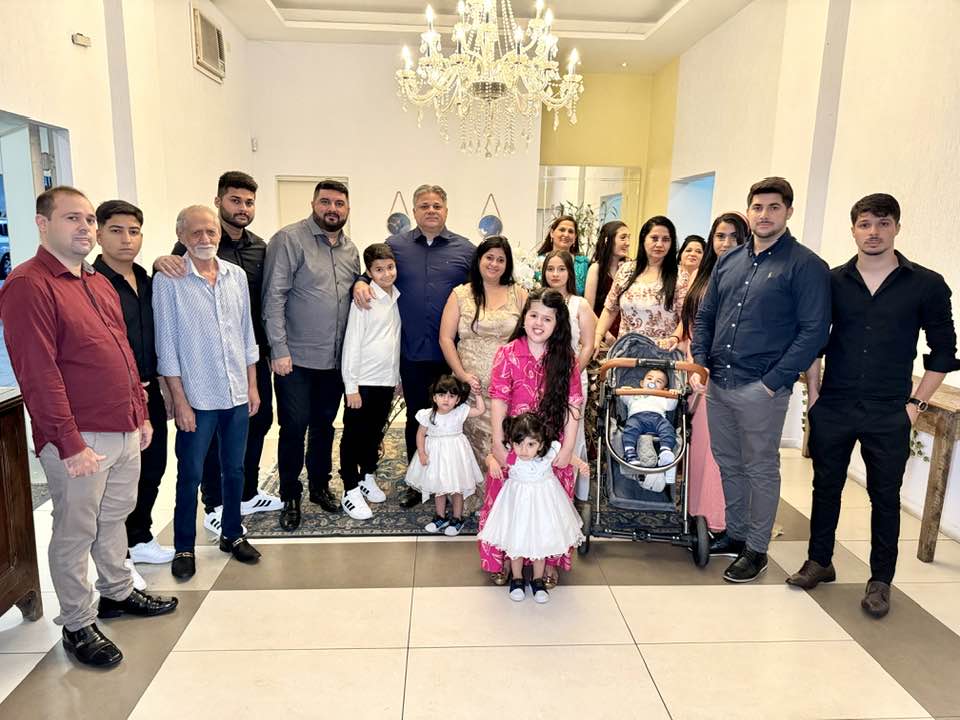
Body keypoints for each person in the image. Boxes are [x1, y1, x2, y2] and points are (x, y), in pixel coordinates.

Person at [0, 186, 177, 668]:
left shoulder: (96, 281)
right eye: (72, 218)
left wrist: (140, 413)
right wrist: (69, 442)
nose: (85, 227)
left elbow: (123, 352)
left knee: (114, 517)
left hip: (124, 426)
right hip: (80, 436)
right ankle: (77, 622)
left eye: (89, 219)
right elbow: (38, 373)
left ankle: (117, 591)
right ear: (43, 224)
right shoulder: (28, 284)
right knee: (75, 530)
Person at [786, 193, 960, 617]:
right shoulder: (832, 281)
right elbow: (813, 339)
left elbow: (944, 351)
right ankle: (819, 561)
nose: (874, 232)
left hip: (890, 409)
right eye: (865, 224)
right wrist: (815, 393)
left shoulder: (926, 284)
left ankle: (880, 580)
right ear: (853, 230)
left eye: (883, 223)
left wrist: (916, 404)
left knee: (885, 496)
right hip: (835, 402)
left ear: (897, 227)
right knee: (825, 486)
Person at [691, 177, 831, 583]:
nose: (764, 215)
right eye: (757, 207)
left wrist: (774, 382)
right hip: (719, 383)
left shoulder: (806, 265)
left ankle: (756, 549)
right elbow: (706, 316)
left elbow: (814, 332)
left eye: (773, 207)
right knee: (729, 463)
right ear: (748, 210)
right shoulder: (730, 261)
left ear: (789, 211)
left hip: (761, 388)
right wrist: (701, 362)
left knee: (760, 469)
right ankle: (735, 534)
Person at [154, 172, 280, 532]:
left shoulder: (257, 250)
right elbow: (169, 283)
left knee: (256, 427)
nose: (242, 208)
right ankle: (212, 505)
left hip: (246, 361)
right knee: (204, 447)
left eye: (248, 202)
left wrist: (256, 373)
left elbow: (256, 311)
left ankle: (245, 496)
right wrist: (158, 261)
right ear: (219, 201)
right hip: (202, 371)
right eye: (234, 200)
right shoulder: (185, 256)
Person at [353, 184, 474, 509]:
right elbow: (370, 273)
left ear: (446, 210)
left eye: (436, 205)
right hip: (411, 351)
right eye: (424, 206)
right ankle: (416, 482)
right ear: (414, 210)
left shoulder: (466, 249)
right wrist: (360, 282)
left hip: (452, 354)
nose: (431, 210)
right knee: (418, 418)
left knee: (453, 420)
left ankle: (451, 481)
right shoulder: (396, 246)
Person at [263, 180, 360, 530]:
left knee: (324, 426)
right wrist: (279, 349)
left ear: (347, 209)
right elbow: (273, 297)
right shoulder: (289, 240)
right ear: (313, 204)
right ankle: (290, 494)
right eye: (326, 202)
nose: (332, 209)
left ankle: (320, 485)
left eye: (339, 203)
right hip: (296, 360)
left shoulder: (351, 250)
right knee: (293, 427)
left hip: (334, 360)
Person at [93, 201, 174, 587]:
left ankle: (139, 537)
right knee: (117, 483)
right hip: (112, 395)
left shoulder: (147, 278)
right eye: (116, 230)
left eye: (134, 231)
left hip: (149, 388)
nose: (127, 239)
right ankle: (117, 559)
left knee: (153, 467)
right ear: (99, 234)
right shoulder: (91, 281)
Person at [481, 288, 583, 588]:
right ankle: (502, 558)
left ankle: (549, 561)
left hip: (552, 445)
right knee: (507, 504)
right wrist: (498, 443)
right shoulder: (507, 353)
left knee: (550, 508)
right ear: (524, 317)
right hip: (515, 443)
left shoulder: (566, 358)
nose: (539, 323)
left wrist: (568, 448)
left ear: (558, 324)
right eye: (534, 315)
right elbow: (499, 400)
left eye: (547, 319)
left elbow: (574, 404)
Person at [669, 213, 750, 541]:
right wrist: (680, 344)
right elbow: (690, 323)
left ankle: (719, 520)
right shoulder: (701, 278)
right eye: (720, 236)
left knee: (719, 449)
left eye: (733, 236)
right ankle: (696, 513)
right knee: (698, 445)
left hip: (725, 373)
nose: (726, 243)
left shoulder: (747, 277)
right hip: (696, 367)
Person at [477, 413, 587, 603]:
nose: (524, 450)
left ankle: (537, 580)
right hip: (516, 504)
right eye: (518, 444)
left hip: (543, 504)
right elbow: (490, 456)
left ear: (541, 444)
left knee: (540, 541)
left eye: (530, 444)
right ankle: (517, 579)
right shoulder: (512, 455)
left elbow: (568, 457)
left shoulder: (549, 453)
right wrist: (492, 462)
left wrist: (581, 464)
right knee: (516, 540)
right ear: (512, 442)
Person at [439, 236, 525, 471]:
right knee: (469, 445)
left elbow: (529, 338)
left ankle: (501, 491)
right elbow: (446, 338)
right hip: (470, 388)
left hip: (507, 387)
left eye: (501, 260)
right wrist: (462, 374)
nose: (494, 264)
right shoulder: (460, 294)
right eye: (489, 257)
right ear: (479, 259)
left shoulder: (518, 294)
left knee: (504, 442)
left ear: (507, 264)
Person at [338, 243, 401, 520]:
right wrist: (351, 387)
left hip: (386, 381)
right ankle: (350, 488)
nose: (386, 274)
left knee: (375, 433)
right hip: (363, 382)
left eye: (390, 267)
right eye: (379, 270)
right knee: (354, 435)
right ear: (369, 272)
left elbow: (394, 341)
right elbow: (352, 344)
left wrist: (397, 377)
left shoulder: (396, 297)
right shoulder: (364, 299)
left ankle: (367, 476)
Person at [540, 250, 596, 500]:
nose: (555, 274)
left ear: (570, 273)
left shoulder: (579, 304)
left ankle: (570, 494)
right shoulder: (538, 301)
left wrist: (572, 374)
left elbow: (588, 345)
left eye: (561, 269)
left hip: (571, 377)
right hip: (540, 377)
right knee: (543, 431)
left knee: (571, 432)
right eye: (550, 269)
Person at [405, 375, 485, 536]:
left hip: (456, 456)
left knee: (457, 489)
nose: (446, 399)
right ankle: (440, 516)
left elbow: (480, 410)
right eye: (442, 395)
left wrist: (477, 394)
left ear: (457, 399)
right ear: (434, 397)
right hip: (436, 456)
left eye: (451, 396)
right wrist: (421, 452)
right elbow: (420, 434)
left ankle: (457, 518)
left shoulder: (460, 412)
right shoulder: (428, 415)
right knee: (439, 489)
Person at [594, 216, 689, 349]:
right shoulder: (626, 270)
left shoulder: (680, 275)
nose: (660, 244)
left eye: (666, 239)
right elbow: (610, 309)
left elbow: (686, 317)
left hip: (661, 352)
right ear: (643, 239)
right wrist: (598, 336)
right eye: (654, 238)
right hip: (626, 351)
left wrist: (675, 338)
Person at [621, 368, 678, 491]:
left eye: (659, 381)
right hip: (637, 418)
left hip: (657, 419)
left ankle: (665, 451)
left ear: (664, 389)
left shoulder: (662, 397)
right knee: (629, 429)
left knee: (667, 429)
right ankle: (629, 452)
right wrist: (625, 390)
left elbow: (671, 406)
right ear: (642, 383)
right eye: (650, 378)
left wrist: (673, 396)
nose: (653, 382)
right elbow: (623, 397)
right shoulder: (635, 395)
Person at [584, 220, 631, 345]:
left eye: (629, 238)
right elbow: (588, 308)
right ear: (607, 240)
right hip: (602, 337)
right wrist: (605, 334)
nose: (627, 243)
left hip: (626, 336)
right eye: (623, 237)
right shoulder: (596, 269)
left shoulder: (630, 268)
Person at [535, 215, 589, 295]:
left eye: (570, 231)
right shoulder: (536, 263)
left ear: (575, 237)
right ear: (552, 233)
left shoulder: (583, 264)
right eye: (562, 230)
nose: (566, 234)